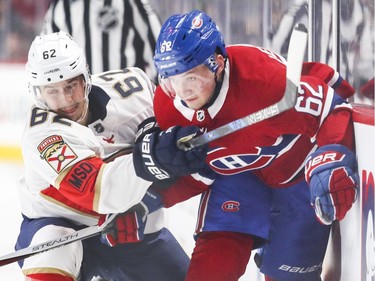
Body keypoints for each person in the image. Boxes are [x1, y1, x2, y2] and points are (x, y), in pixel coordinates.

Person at [132, 10, 359, 281]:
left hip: (296, 175)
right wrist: (149, 200)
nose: (184, 93)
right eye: (172, 80)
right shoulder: (169, 106)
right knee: (212, 270)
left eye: (191, 78)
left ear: (217, 62)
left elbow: (333, 109)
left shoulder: (265, 82)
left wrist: (332, 153)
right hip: (239, 177)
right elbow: (200, 170)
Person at [15, 31, 207, 281]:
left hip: (135, 235)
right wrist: (152, 161)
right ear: (38, 93)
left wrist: (147, 201)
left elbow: (179, 142)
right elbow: (102, 190)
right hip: (60, 227)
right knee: (55, 246)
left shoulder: (136, 91)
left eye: (71, 85)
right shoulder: (42, 135)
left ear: (85, 77)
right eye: (52, 91)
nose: (66, 100)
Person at [41, 0, 161, 82]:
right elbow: (46, 60)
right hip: (81, 107)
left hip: (128, 103)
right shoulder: (61, 7)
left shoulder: (130, 2)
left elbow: (158, 49)